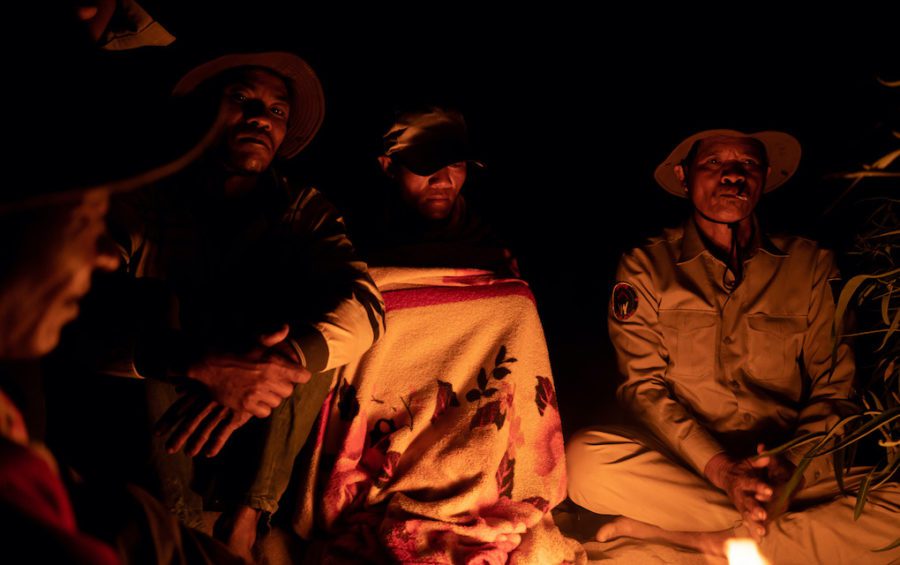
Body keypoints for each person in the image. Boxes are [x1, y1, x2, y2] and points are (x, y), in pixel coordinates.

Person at [565, 129, 900, 562]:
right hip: (690, 470)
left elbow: (837, 388)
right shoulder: (646, 265)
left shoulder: (811, 265)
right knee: (583, 460)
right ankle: (766, 541)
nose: (731, 176)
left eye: (746, 164)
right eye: (714, 164)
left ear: (763, 176)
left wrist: (788, 467)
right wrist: (723, 472)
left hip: (789, 473)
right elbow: (642, 389)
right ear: (685, 177)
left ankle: (693, 539)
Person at [103, 52, 384, 560]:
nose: (261, 117)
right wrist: (201, 364)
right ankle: (181, 527)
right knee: (151, 303)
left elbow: (365, 304)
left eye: (278, 111)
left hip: (257, 435)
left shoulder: (302, 208)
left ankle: (246, 518)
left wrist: (274, 366)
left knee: (307, 326)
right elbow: (77, 309)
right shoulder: (143, 203)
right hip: (166, 424)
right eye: (241, 99)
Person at [356, 106, 517, 276]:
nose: (443, 181)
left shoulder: (497, 247)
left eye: (455, 164)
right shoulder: (354, 248)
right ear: (389, 166)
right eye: (425, 163)